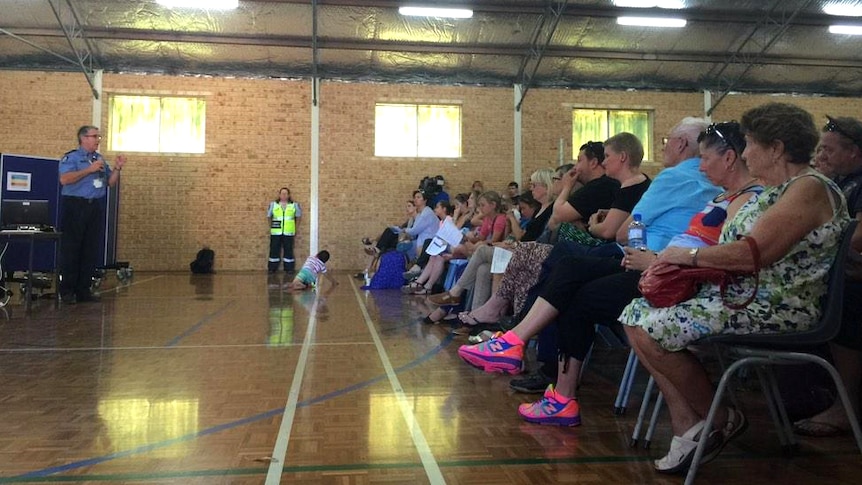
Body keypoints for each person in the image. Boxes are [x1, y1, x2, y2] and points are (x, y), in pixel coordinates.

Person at [623, 103, 849, 474]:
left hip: (778, 307)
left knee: (650, 326)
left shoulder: (808, 189)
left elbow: (751, 254)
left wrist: (685, 257)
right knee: (636, 315)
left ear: (775, 148)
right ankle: (690, 424)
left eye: (749, 145)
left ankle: (720, 418)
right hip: (747, 298)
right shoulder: (783, 189)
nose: (744, 154)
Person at [793, 115, 862, 437]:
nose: (821, 157)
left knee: (848, 301)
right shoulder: (837, 182)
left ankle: (844, 405)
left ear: (854, 153)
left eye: (829, 150)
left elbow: (858, 237)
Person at [58, 125, 127, 304]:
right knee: (72, 249)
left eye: (99, 137)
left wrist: (118, 168)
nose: (97, 140)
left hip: (94, 207)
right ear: (83, 138)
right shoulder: (72, 158)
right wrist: (89, 170)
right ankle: (67, 291)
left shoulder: (99, 159)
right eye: (94, 136)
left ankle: (83, 290)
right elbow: (64, 179)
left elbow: (109, 183)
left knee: (90, 250)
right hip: (75, 206)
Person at [267, 187, 302, 274]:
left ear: (289, 195)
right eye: (282, 193)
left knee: (288, 250)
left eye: (285, 193)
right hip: (276, 232)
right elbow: (269, 217)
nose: (284, 195)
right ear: (279, 195)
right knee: (274, 249)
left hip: (288, 232)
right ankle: (272, 268)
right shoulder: (273, 205)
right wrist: (271, 227)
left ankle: (289, 268)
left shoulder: (294, 205)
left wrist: (295, 229)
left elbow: (298, 217)